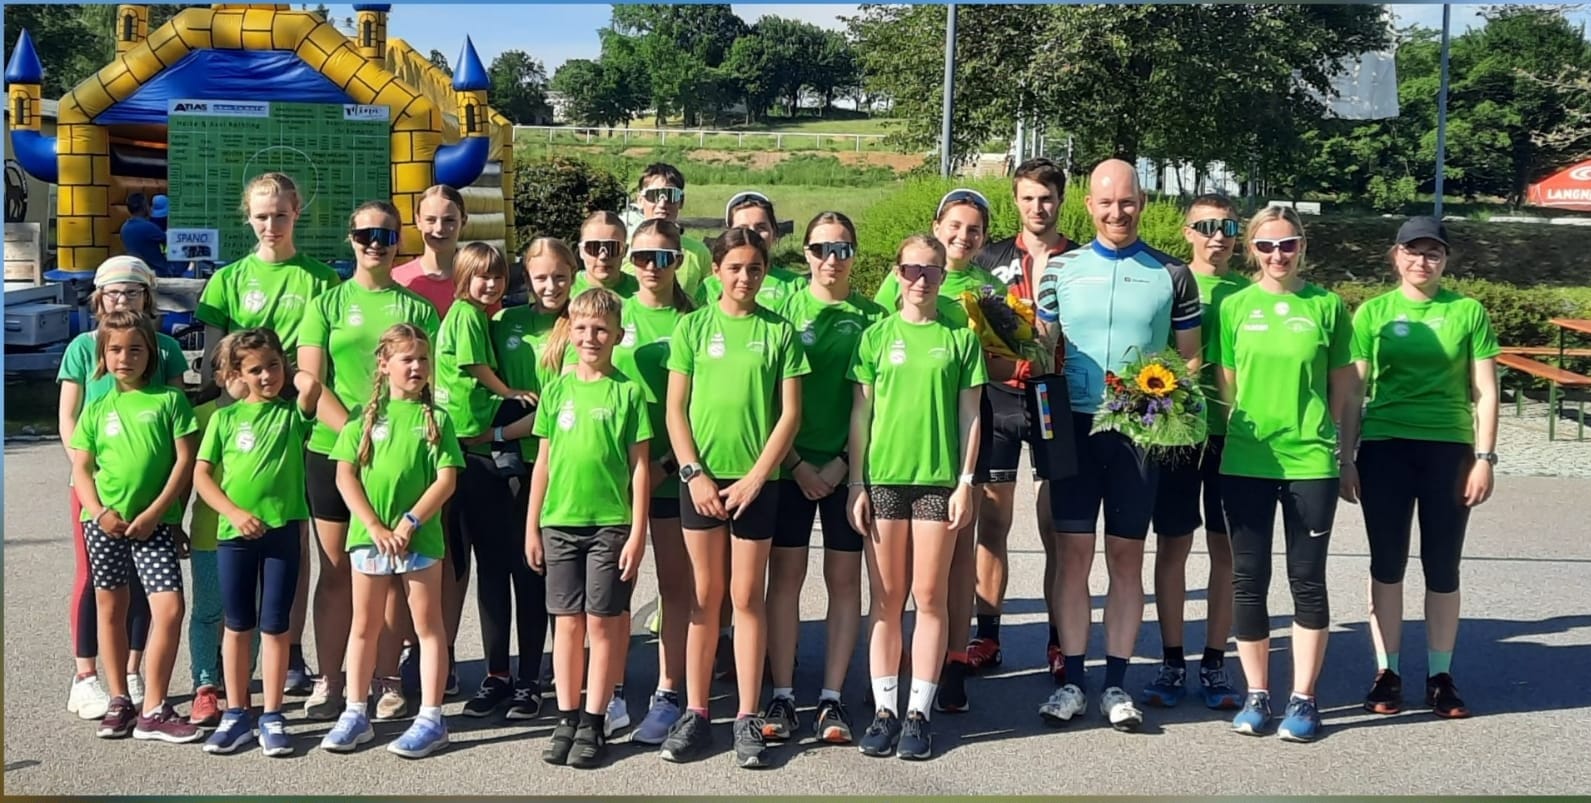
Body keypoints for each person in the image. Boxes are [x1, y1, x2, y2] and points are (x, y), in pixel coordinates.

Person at [1033, 159, 1202, 731]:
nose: (1117, 212)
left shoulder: (1173, 273)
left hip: (1139, 431)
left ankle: (1115, 686)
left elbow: (1191, 358)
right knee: (1073, 558)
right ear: (1088, 206)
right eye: (1105, 203)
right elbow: (1042, 349)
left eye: (1127, 201)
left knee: (1126, 560)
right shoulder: (1060, 270)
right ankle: (1073, 681)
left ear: (1143, 203)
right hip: (1075, 432)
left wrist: (1164, 405)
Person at [658, 227, 810, 768]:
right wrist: (694, 473)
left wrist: (756, 477)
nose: (745, 277)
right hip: (699, 482)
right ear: (717, 270)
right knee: (705, 599)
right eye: (735, 267)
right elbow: (676, 410)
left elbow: (789, 415)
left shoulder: (779, 332)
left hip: (756, 485)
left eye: (755, 268)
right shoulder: (693, 328)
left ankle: (747, 715)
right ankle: (696, 712)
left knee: (747, 598)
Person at [1348, 217, 1500, 720]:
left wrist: (1485, 458)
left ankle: (1441, 676)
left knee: (1442, 565)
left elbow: (1485, 390)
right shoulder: (1374, 313)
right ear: (1396, 256)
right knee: (1387, 564)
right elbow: (1354, 391)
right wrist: (1346, 456)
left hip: (1448, 449)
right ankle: (1386, 671)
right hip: (1386, 446)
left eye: (1432, 253)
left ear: (1446, 259)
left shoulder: (1467, 311)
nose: (1422, 261)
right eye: (1413, 252)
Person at [197, 172, 341, 694]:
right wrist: (239, 393)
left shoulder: (322, 280)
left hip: (298, 418)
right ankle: (219, 660)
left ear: (296, 212)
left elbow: (322, 363)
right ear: (249, 218)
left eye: (280, 214)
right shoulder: (228, 279)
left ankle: (291, 648)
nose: (271, 225)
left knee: (292, 536)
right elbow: (215, 362)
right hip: (244, 424)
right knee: (230, 532)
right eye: (261, 216)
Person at [1218, 205, 1358, 742]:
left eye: (1289, 244)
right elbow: (1227, 385)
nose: (1278, 255)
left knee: (1307, 580)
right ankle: (1257, 695)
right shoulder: (1234, 307)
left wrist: (1345, 456)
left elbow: (1344, 388)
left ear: (1303, 246)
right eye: (1267, 246)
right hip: (1248, 459)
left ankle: (1304, 698)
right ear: (1251, 249)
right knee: (1248, 581)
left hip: (1311, 461)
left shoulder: (1325, 306)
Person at [298, 201, 441, 722]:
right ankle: (331, 679)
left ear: (399, 239)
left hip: (399, 455)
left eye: (385, 233)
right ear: (350, 237)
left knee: (396, 570)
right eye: (365, 233)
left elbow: (432, 383)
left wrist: (390, 440)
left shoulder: (419, 308)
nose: (375, 242)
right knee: (340, 571)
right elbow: (310, 382)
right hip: (335, 449)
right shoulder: (327, 303)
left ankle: (386, 678)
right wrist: (359, 437)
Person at [847, 234, 986, 761]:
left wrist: (966, 482)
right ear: (897, 274)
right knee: (886, 599)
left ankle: (918, 713)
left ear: (942, 277)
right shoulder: (876, 337)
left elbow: (970, 415)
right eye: (910, 269)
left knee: (929, 598)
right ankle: (884, 709)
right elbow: (861, 414)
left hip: (937, 482)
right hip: (883, 482)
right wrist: (857, 484)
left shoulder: (960, 340)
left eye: (930, 270)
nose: (920, 279)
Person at [874, 188, 1007, 713]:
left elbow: (999, 355)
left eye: (974, 230)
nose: (962, 236)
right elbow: (882, 344)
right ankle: (892, 665)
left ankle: (950, 659)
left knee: (955, 555)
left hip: (964, 419)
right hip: (905, 431)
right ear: (937, 224)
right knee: (898, 574)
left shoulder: (987, 287)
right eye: (954, 226)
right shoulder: (903, 276)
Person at [762, 211, 884, 744]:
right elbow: (765, 398)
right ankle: (784, 693)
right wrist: (794, 464)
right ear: (804, 253)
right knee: (784, 580)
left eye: (842, 249)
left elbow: (878, 406)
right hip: (791, 468)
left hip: (846, 469)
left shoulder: (876, 318)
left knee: (843, 583)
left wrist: (842, 466)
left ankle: (832, 698)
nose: (830, 260)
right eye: (819, 249)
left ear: (856, 253)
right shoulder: (782, 311)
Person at [321, 323, 463, 758]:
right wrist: (375, 526)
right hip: (370, 540)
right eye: (407, 359)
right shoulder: (364, 418)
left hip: (420, 541)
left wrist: (409, 523)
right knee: (364, 626)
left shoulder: (437, 420)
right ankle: (355, 711)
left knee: (427, 626)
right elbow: (345, 475)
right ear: (384, 365)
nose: (417, 366)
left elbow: (446, 478)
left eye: (423, 359)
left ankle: (431, 718)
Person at [526, 288, 652, 769]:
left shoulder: (627, 392)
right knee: (567, 623)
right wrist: (533, 525)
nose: (590, 337)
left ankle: (595, 720)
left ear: (617, 334)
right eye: (581, 328)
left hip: (610, 525)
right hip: (560, 521)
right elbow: (544, 462)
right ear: (570, 332)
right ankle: (567, 715)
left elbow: (640, 468)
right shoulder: (556, 389)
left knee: (602, 624)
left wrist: (638, 532)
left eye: (601, 329)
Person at [968, 158, 1079, 682]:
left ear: (1061, 200)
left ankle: (1059, 640)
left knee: (1057, 525)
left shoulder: (1080, 259)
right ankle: (986, 635)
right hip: (999, 400)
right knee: (992, 523)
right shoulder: (988, 258)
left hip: (1056, 399)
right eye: (1029, 198)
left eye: (1048, 197)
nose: (1039, 207)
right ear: (1016, 201)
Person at [57, 256, 181, 721]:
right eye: (113, 292)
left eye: (132, 292)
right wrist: (89, 475)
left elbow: (173, 420)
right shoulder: (82, 349)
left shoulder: (165, 348)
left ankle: (130, 671)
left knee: (143, 582)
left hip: (149, 486)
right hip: (95, 481)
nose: (122, 299)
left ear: (146, 297)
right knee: (94, 578)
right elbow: (68, 417)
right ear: (98, 297)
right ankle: (85, 675)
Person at [68, 311, 199, 743]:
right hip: (104, 525)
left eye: (136, 349)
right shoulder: (97, 408)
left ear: (152, 354)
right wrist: (100, 511)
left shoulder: (170, 401)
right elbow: (83, 468)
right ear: (103, 356)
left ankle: (155, 707)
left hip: (154, 526)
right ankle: (120, 698)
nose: (126, 357)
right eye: (116, 349)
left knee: (169, 609)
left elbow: (184, 461)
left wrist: (158, 512)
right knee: (111, 609)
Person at [1141, 194, 1250, 711]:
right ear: (1187, 231)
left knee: (1225, 551)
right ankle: (1171, 659)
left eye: (1228, 226)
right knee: (1173, 547)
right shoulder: (1167, 280)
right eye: (1206, 225)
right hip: (1177, 434)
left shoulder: (1249, 293)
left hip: (1232, 437)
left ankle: (1214, 661)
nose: (1218, 235)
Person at [194, 329, 322, 756]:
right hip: (233, 536)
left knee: (275, 626)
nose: (266, 376)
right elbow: (202, 477)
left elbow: (313, 386)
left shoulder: (290, 415)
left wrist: (293, 371)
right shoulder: (224, 420)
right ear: (236, 374)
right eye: (255, 369)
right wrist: (232, 513)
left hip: (282, 530)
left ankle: (272, 714)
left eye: (272, 366)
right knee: (237, 625)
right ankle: (236, 713)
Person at [433, 242, 543, 719]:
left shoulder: (488, 318)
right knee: (489, 565)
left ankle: (531, 677)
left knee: (526, 567)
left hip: (503, 446)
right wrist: (509, 392)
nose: (491, 285)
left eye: (498, 277)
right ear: (462, 278)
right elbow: (475, 368)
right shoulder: (473, 317)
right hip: (475, 445)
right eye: (481, 277)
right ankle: (499, 673)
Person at [613, 219, 698, 744]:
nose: (651, 266)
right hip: (611, 477)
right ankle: (613, 689)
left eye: (662, 257)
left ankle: (669, 692)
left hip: (668, 476)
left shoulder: (694, 321)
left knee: (674, 588)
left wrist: (668, 463)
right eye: (642, 256)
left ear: (678, 262)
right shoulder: (612, 314)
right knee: (613, 592)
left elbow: (698, 405)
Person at [622, 163, 712, 300]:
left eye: (670, 195)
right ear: (640, 200)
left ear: (681, 201)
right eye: (654, 195)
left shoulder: (699, 252)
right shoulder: (621, 250)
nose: (662, 204)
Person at [703, 191, 809, 308]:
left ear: (774, 233)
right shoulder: (710, 287)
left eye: (761, 228)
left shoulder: (795, 286)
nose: (752, 234)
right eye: (742, 229)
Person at [393, 185, 481, 317]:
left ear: (463, 221)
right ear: (418, 221)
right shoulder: (398, 279)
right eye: (431, 220)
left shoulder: (480, 279)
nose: (439, 228)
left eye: (449, 220)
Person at [572, 211, 640, 298]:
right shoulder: (564, 290)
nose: (603, 256)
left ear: (625, 251)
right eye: (594, 247)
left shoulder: (642, 291)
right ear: (581, 251)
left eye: (612, 248)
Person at [118, 193, 169, 277]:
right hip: (158, 273)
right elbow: (170, 242)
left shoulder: (124, 228)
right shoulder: (149, 227)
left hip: (138, 271)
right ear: (145, 207)